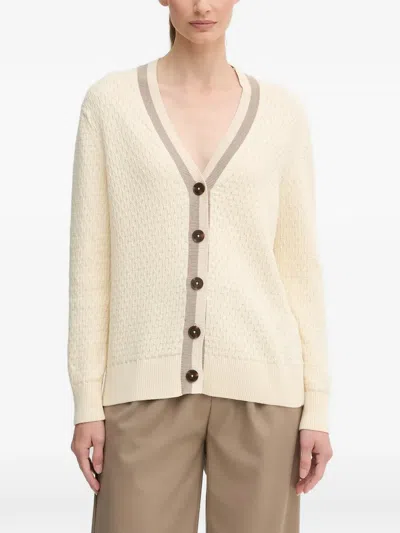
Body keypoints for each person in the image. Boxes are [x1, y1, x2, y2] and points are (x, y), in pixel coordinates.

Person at [67, 1, 334, 532]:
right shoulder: (110, 105)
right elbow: (89, 266)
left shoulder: (282, 114)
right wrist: (86, 401)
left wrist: (318, 405)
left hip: (265, 387)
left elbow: (301, 268)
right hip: (142, 388)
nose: (203, 5)